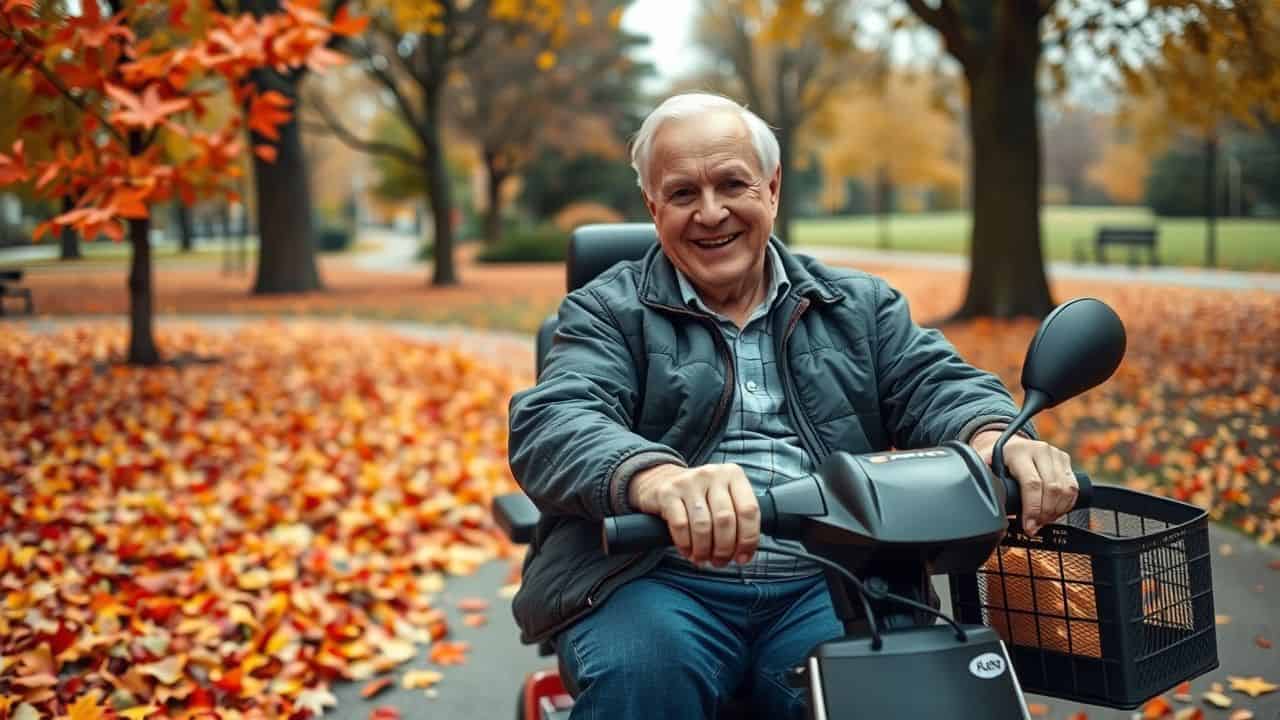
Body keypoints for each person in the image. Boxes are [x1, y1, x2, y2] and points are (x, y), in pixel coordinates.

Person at [507, 93, 1080, 720]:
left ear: (772, 189)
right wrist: (657, 478)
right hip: (650, 580)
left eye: (733, 184)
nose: (711, 212)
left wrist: (1000, 438)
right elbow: (555, 420)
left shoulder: (859, 306)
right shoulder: (603, 313)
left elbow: (936, 384)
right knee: (646, 677)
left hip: (831, 578)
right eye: (681, 194)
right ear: (653, 207)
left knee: (902, 692)